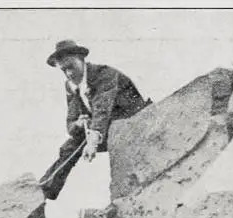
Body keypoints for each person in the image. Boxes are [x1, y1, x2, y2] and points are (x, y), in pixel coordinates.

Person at [39, 39, 150, 201]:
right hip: (106, 129)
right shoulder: (71, 86)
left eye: (71, 67)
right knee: (69, 147)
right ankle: (46, 189)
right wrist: (77, 124)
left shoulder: (104, 75)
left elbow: (102, 110)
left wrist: (92, 141)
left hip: (133, 123)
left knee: (106, 137)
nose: (69, 73)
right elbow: (70, 123)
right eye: (64, 70)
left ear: (82, 60)